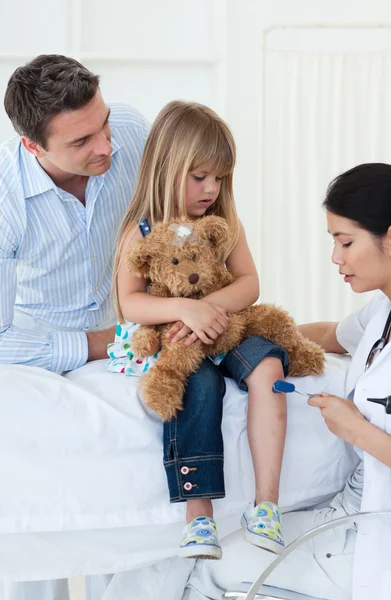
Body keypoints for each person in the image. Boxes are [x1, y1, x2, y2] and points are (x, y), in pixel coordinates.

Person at [182, 162, 391, 600]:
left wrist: (356, 429)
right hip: (345, 515)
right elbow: (327, 334)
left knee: (205, 572)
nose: (335, 258)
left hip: (378, 538)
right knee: (188, 556)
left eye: (345, 242)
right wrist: (239, 337)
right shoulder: (383, 312)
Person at [109, 100, 289, 560]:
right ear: (168, 168)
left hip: (226, 326)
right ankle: (199, 512)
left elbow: (249, 283)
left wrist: (207, 307)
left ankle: (266, 505)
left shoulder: (224, 225)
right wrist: (182, 311)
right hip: (179, 341)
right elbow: (131, 301)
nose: (211, 188)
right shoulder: (142, 230)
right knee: (200, 386)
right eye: (200, 176)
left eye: (220, 178)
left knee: (268, 365)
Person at [0, 54, 149, 599]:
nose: (105, 146)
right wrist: (92, 345)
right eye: (82, 141)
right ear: (33, 147)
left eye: (102, 123)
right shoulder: (5, 201)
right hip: (36, 354)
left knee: (132, 502)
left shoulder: (133, 132)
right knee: (36, 508)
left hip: (129, 341)